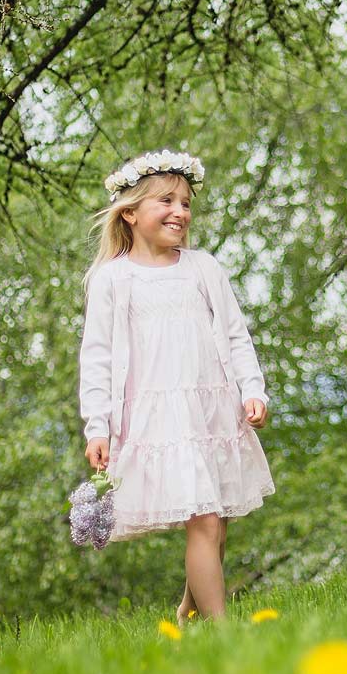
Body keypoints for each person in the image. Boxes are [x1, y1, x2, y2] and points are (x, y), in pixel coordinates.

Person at [79, 150, 272, 622]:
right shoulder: (113, 279)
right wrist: (97, 426)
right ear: (130, 212)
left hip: (212, 408)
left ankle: (189, 609)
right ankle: (224, 632)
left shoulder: (203, 268)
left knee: (217, 520)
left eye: (185, 203)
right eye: (166, 201)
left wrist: (253, 389)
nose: (180, 212)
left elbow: (234, 333)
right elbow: (97, 356)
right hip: (158, 417)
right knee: (203, 519)